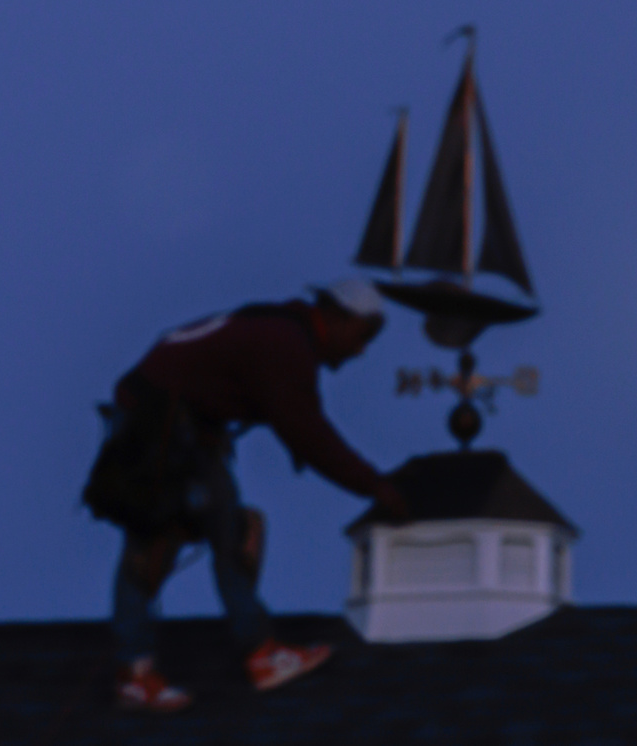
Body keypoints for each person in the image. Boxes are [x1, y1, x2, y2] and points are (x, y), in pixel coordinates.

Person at [82, 278, 409, 712]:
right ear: (338, 318)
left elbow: (293, 421)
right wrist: (376, 486)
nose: (361, 350)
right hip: (156, 424)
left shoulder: (282, 331)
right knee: (153, 538)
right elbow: (309, 434)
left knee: (235, 529)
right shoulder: (285, 344)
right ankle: (135, 673)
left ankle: (260, 653)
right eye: (363, 335)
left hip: (184, 427)